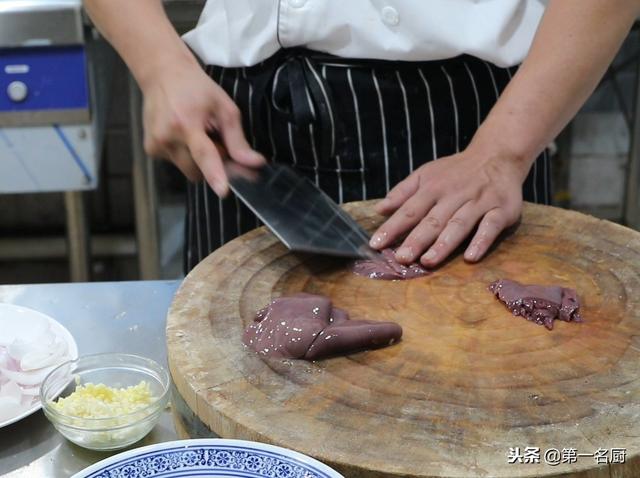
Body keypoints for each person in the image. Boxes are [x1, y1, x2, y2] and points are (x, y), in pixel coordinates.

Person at [84, 0, 639, 272]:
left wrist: (502, 152)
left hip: (467, 137)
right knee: (232, 404)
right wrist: (159, 62)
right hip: (240, 131)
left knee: (471, 413)